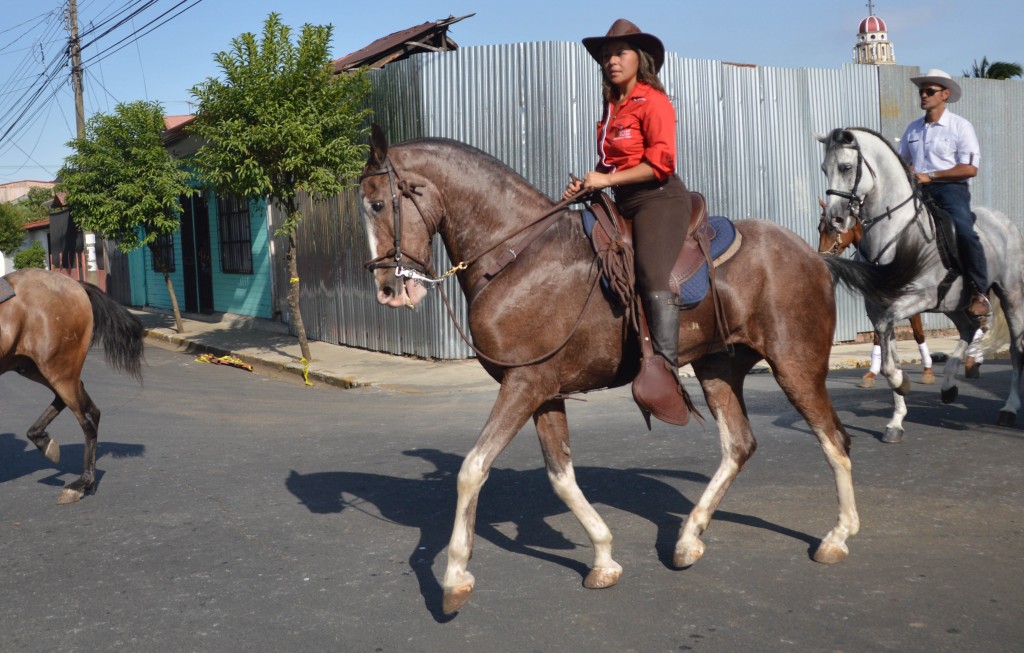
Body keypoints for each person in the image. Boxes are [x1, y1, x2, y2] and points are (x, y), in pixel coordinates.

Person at [563, 18, 692, 398]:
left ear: (640, 59)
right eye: (606, 56)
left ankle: (667, 368)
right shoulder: (612, 107)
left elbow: (661, 163)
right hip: (622, 198)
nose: (612, 61)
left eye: (620, 53)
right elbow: (610, 162)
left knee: (651, 273)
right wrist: (587, 183)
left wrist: (606, 180)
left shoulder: (654, 101)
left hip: (659, 198)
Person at [898, 68, 990, 317]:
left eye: (930, 91)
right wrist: (907, 172)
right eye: (921, 91)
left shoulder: (960, 126)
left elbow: (970, 168)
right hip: (917, 190)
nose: (923, 95)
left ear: (945, 95)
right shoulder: (913, 129)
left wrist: (931, 175)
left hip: (950, 189)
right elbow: (902, 162)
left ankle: (980, 291)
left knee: (964, 231)